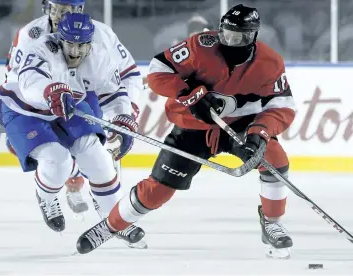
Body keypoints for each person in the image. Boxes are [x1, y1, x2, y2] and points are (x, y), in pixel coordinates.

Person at [76, 4, 296, 259]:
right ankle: (110, 226)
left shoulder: (270, 63)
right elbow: (159, 70)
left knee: (274, 160)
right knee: (158, 190)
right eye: (225, 33)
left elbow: (282, 105)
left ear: (252, 37)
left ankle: (272, 223)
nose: (228, 41)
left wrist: (260, 132)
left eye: (237, 38)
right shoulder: (200, 46)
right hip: (193, 127)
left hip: (242, 126)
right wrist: (188, 94)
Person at [2, 0, 146, 249]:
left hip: (70, 102)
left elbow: (114, 89)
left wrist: (124, 117)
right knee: (58, 160)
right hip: (27, 108)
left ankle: (115, 220)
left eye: (83, 45)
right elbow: (27, 80)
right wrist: (49, 91)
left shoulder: (100, 44)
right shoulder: (36, 40)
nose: (76, 51)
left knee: (97, 156)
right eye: (56, 8)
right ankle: (47, 196)